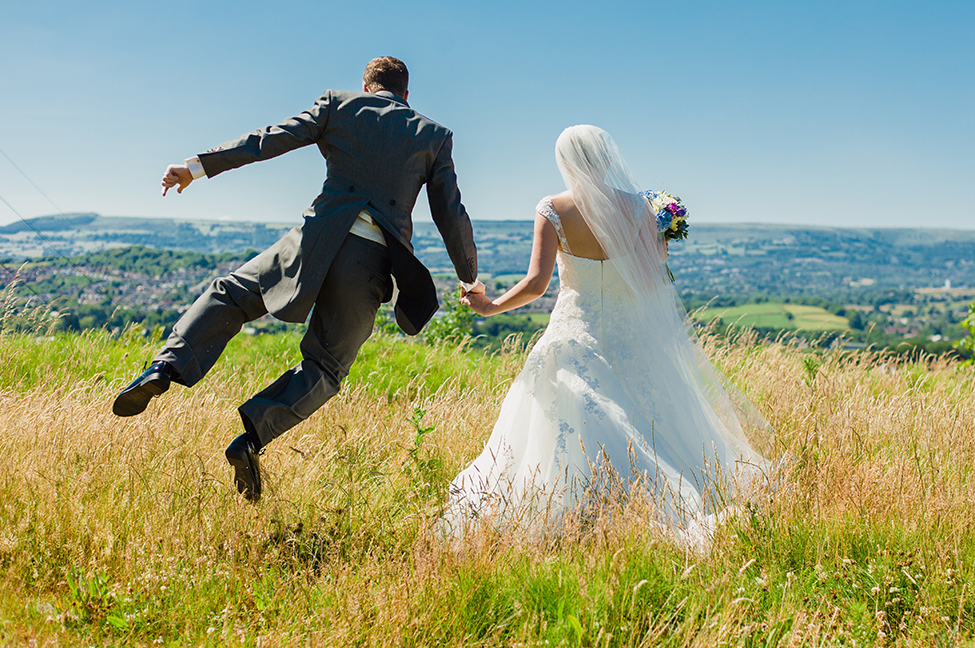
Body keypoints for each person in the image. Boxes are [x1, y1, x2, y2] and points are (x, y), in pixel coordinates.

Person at [112, 57, 484, 501]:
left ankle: (163, 367)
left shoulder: (338, 106)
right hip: (368, 261)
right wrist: (469, 277)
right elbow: (451, 213)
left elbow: (268, 140)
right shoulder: (434, 136)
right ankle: (250, 439)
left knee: (230, 294)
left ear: (367, 88)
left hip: (311, 242)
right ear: (406, 96)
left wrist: (196, 168)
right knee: (326, 367)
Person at [445, 125, 769, 546]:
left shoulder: (553, 208)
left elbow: (536, 284)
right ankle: (655, 498)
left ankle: (572, 506)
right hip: (629, 333)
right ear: (608, 159)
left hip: (574, 330)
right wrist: (661, 248)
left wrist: (490, 306)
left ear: (565, 161)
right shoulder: (639, 209)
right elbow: (653, 283)